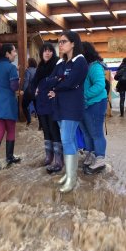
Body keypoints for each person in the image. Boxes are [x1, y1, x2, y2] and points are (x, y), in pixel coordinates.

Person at [46, 31, 88, 193]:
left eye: (63, 41)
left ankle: (71, 179)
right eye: (59, 42)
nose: (60, 45)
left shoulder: (80, 61)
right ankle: (69, 174)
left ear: (73, 43)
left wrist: (58, 84)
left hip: (72, 106)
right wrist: (58, 82)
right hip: (59, 106)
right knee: (68, 140)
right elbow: (49, 80)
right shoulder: (60, 63)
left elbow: (72, 82)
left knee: (66, 139)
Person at [0, 43, 21, 169]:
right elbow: (14, 87)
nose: (15, 54)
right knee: (10, 130)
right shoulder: (11, 68)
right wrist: (18, 81)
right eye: (14, 51)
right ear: (7, 53)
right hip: (7, 102)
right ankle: (9, 157)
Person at [32, 43, 63, 173]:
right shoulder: (40, 66)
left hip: (52, 102)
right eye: (45, 51)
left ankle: (58, 159)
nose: (47, 53)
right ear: (41, 53)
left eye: (50, 51)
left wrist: (56, 91)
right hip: (41, 102)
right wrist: (34, 90)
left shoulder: (57, 64)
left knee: (53, 128)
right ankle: (48, 156)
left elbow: (62, 80)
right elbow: (34, 82)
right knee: (45, 129)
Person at [79, 42, 108, 175]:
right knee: (86, 132)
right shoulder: (83, 66)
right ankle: (91, 153)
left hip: (95, 103)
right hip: (84, 104)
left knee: (96, 132)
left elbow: (100, 85)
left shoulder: (95, 66)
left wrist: (84, 95)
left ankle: (100, 158)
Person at [20, 58, 37, 126]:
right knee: (37, 108)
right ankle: (41, 125)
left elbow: (26, 81)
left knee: (24, 105)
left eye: (27, 62)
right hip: (36, 91)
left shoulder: (28, 71)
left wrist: (22, 90)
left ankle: (29, 120)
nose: (26, 63)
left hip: (29, 92)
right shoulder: (37, 70)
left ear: (30, 63)